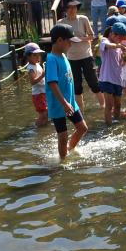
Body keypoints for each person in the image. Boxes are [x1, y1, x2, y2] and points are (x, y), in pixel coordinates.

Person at [45, 24, 89, 159]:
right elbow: (52, 83)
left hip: (70, 103)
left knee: (82, 128)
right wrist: (64, 103)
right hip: (59, 105)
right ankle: (63, 162)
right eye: (69, 41)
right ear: (59, 40)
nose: (71, 44)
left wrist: (70, 102)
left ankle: (71, 148)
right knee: (62, 136)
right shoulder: (52, 59)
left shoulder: (64, 56)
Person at [58, 0, 104, 113]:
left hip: (86, 55)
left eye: (74, 7)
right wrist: (68, 40)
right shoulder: (61, 22)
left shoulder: (83, 19)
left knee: (93, 82)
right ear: (65, 8)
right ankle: (81, 112)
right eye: (69, 7)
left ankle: (104, 107)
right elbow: (58, 40)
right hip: (71, 58)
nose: (72, 9)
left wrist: (80, 39)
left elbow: (92, 36)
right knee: (77, 86)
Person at [99, 22, 126, 125]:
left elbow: (122, 63)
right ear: (112, 34)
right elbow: (108, 45)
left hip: (117, 79)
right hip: (107, 79)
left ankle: (115, 123)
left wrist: (125, 57)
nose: (121, 41)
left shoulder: (119, 47)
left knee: (118, 105)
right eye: (120, 38)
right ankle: (108, 127)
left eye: (122, 39)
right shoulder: (104, 41)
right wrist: (118, 45)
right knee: (109, 105)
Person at [24, 43, 48, 127]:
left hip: (43, 92)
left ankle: (43, 129)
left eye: (39, 55)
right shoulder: (31, 68)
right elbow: (32, 82)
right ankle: (36, 128)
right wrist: (42, 75)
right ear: (28, 56)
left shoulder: (37, 65)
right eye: (35, 55)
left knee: (46, 113)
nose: (38, 57)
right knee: (43, 114)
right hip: (38, 94)